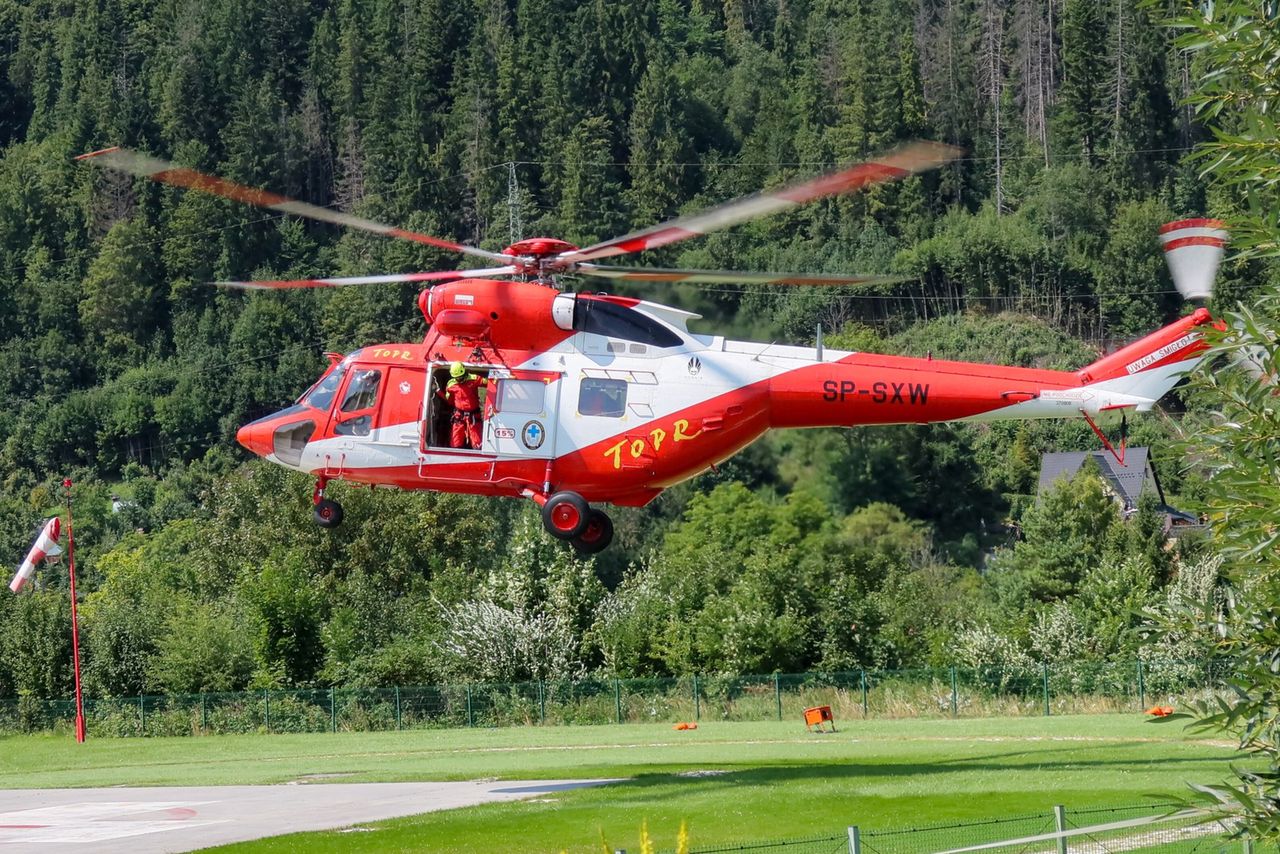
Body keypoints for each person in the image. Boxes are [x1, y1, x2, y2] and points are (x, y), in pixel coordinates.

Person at [437, 362, 484, 449]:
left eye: (460, 377)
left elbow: (489, 383)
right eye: (457, 378)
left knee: (478, 443)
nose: (459, 379)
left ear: (464, 372)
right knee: (455, 442)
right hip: (459, 416)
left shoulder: (474, 379)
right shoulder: (451, 385)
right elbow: (450, 401)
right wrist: (439, 392)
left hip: (473, 416)